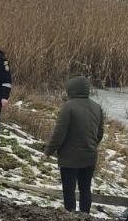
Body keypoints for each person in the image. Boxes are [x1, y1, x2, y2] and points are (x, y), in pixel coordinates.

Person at [44, 75, 103, 213]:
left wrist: (48, 151)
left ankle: (70, 215)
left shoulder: (68, 107)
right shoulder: (97, 107)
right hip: (90, 156)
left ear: (71, 89)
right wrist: (92, 145)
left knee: (69, 189)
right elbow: (100, 133)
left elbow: (59, 133)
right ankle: (85, 216)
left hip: (69, 158)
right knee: (85, 189)